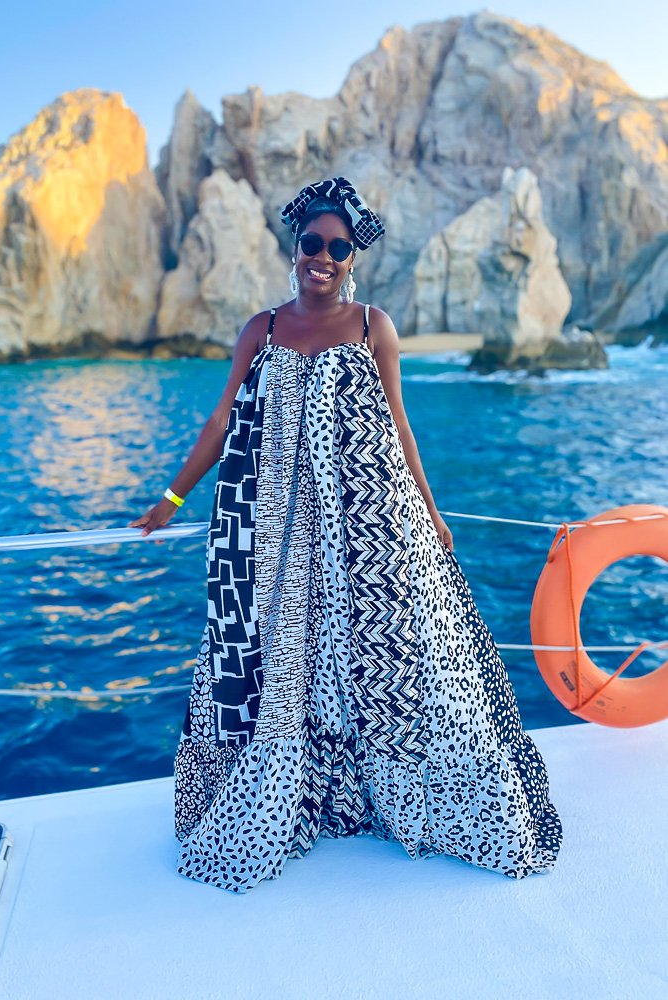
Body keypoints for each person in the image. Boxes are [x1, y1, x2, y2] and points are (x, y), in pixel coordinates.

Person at [129, 176, 563, 893]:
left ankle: (402, 795)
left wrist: (432, 508)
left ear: (353, 258)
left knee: (385, 653)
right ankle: (309, 794)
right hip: (279, 534)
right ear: (295, 249)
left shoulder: (373, 327)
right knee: (293, 659)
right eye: (312, 244)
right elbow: (219, 422)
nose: (322, 257)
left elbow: (399, 425)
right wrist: (173, 498)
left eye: (337, 247)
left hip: (371, 526)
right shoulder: (261, 330)